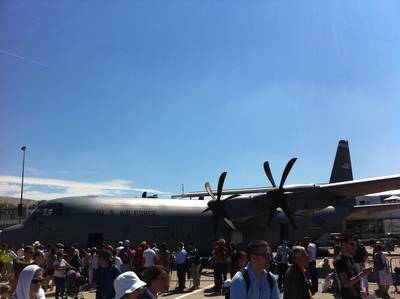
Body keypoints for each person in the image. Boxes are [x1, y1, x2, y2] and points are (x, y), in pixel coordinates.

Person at [334, 235, 372, 299]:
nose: (355, 247)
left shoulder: (350, 258)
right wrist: (362, 274)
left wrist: (360, 292)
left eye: (356, 244)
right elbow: (346, 284)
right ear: (343, 245)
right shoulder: (340, 261)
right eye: (352, 244)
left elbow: (353, 279)